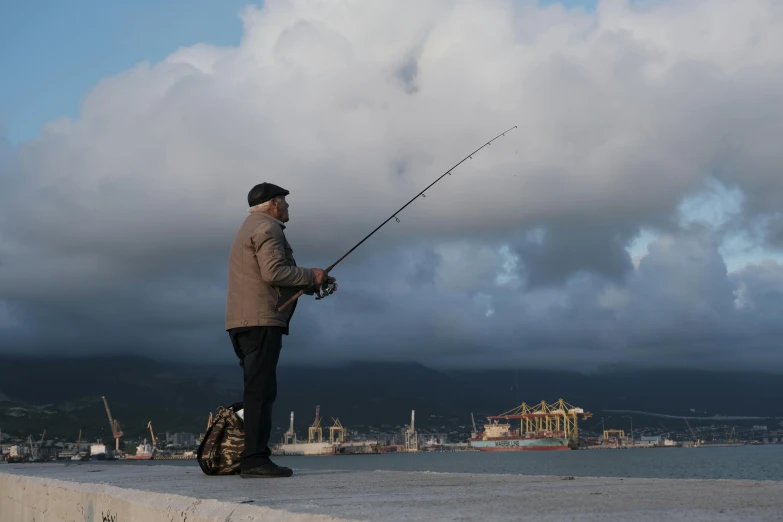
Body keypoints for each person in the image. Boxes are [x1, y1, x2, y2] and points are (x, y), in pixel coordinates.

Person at [225, 182, 336, 478]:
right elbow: (273, 272)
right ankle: (255, 460)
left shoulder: (248, 227)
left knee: (255, 391)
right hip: (261, 321)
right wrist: (311, 275)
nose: (288, 207)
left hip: (242, 321)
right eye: (285, 202)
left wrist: (311, 284)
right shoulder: (267, 228)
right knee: (261, 392)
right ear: (273, 204)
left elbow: (268, 276)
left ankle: (249, 454)